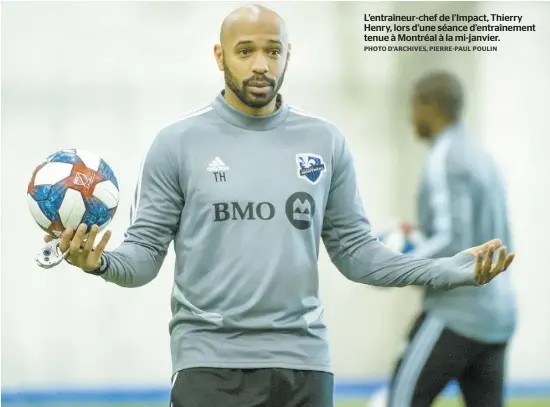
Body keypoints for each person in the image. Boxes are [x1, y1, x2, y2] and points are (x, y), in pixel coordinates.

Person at [45, 7, 514, 407]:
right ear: (219, 56)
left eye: (273, 50)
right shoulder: (176, 144)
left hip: (304, 366)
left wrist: (443, 269)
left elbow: (357, 253)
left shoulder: (325, 142)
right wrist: (99, 262)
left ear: (288, 55)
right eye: (245, 51)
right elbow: (143, 256)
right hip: (210, 366)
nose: (261, 65)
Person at [377, 72, 517, 407]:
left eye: (413, 107)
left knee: (401, 402)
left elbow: (452, 241)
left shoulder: (444, 158)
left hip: (456, 314)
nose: (411, 118)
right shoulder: (481, 157)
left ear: (428, 106)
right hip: (497, 315)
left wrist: (389, 266)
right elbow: (494, 238)